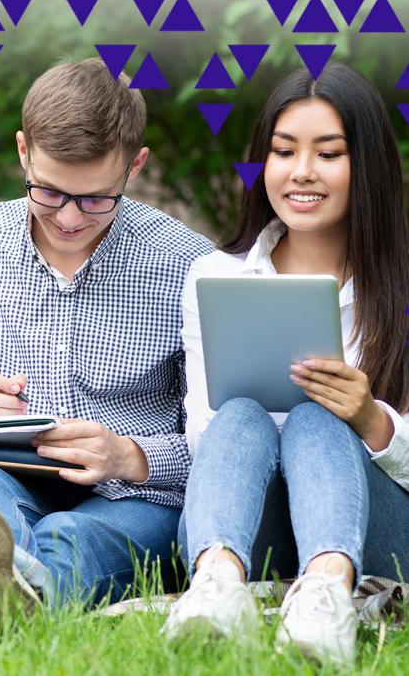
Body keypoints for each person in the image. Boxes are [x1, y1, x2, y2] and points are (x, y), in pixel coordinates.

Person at [0, 58, 215, 616]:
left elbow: (220, 434)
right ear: (23, 151)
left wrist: (130, 456)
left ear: (136, 165)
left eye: (96, 199)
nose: (71, 219)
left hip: (135, 497)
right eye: (50, 192)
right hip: (7, 478)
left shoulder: (188, 263)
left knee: (75, 538)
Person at [161, 62, 409, 666]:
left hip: (376, 528)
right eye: (283, 150)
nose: (301, 172)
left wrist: (371, 421)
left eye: (328, 154)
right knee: (238, 411)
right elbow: (203, 435)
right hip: (249, 520)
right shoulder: (215, 276)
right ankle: (217, 587)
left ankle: (328, 594)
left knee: (318, 419)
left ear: (367, 166)